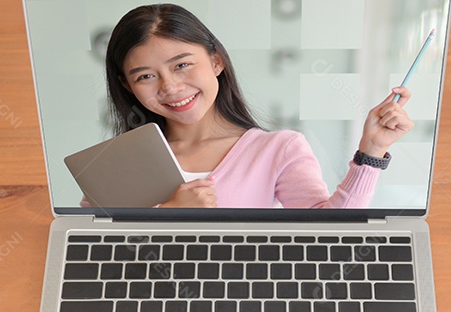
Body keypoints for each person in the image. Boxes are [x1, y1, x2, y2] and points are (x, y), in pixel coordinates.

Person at [103, 3, 414, 209]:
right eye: (145, 76)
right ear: (127, 85)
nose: (169, 87)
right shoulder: (119, 160)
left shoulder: (278, 149)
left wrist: (371, 151)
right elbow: (102, 258)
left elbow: (331, 234)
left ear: (216, 61)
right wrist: (168, 216)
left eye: (182, 65)